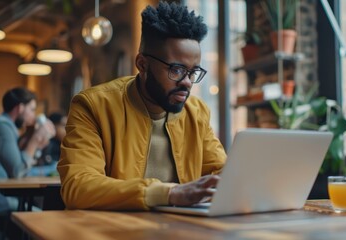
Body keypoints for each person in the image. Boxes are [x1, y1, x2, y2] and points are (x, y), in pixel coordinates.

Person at [57, 2, 226, 210]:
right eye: (176, 70)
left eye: (193, 72)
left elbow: (222, 172)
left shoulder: (197, 112)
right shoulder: (92, 106)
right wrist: (169, 193)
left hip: (180, 228)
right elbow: (78, 186)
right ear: (142, 64)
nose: (187, 82)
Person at [0, 87, 55, 236]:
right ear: (20, 108)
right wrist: (35, 140)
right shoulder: (1, 126)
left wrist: (38, 145)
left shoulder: (5, 127)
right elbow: (17, 170)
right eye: (32, 109)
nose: (33, 116)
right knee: (39, 215)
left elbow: (22, 167)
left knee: (35, 210)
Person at [29, 112, 67, 176]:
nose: (67, 129)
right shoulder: (43, 143)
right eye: (63, 125)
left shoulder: (64, 145)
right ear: (53, 125)